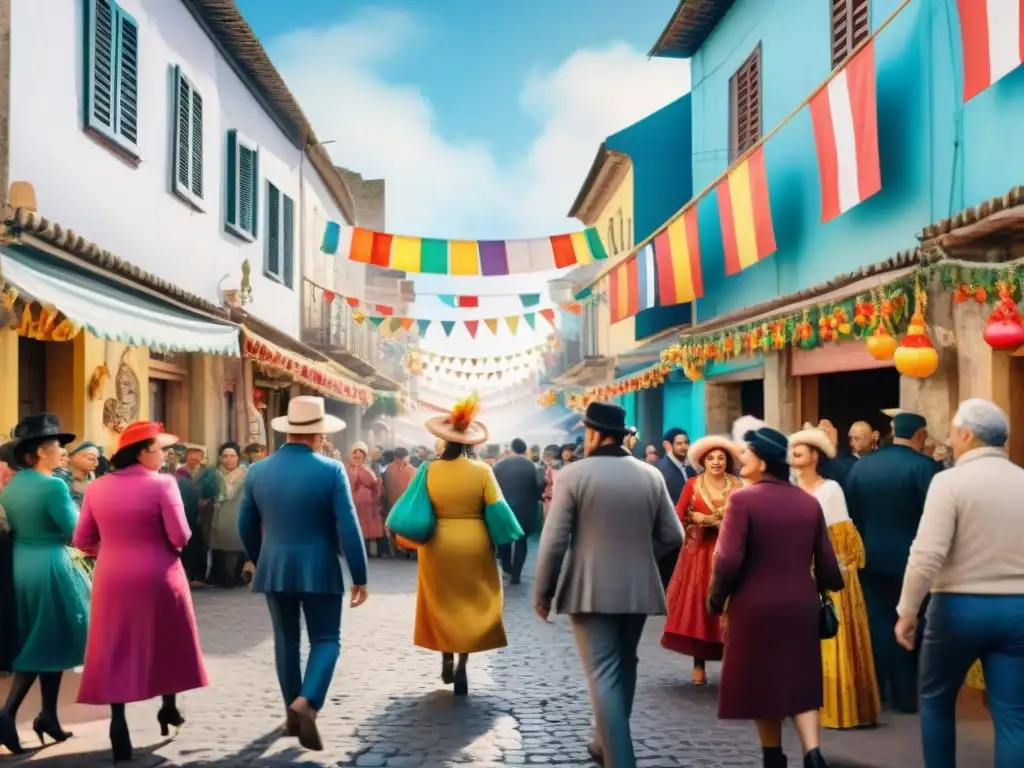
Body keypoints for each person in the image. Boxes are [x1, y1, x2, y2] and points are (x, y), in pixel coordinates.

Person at [534, 402, 682, 767]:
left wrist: (544, 593)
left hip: (589, 587)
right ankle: (602, 741)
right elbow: (673, 534)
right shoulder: (650, 475)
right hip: (638, 586)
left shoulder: (573, 474)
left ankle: (620, 757)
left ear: (596, 434)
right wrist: (641, 554)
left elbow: (554, 540)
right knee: (624, 664)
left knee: (602, 671)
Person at [896, 399, 1024, 767]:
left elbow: (926, 554)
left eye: (952, 431)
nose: (950, 439)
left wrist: (907, 611)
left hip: (957, 608)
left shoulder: (949, 482)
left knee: (936, 701)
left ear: (967, 434)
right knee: (1015, 716)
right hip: (1017, 608)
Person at [707, 423, 844, 768]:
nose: (740, 458)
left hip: (755, 606)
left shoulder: (742, 500)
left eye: (747, 453)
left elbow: (727, 559)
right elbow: (827, 562)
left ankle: (773, 756)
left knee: (762, 681)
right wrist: (829, 587)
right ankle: (813, 752)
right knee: (800, 677)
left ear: (764, 462)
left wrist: (715, 597)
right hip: (800, 604)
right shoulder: (808, 503)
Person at [238, 396, 368, 752]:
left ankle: (291, 714)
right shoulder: (330, 470)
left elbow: (245, 524)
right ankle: (308, 701)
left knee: (286, 640)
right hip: (320, 567)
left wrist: (260, 558)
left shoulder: (258, 470)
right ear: (318, 435)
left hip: (275, 567)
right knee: (326, 639)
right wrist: (359, 574)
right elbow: (349, 525)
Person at [73, 421, 208, 762]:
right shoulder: (164, 484)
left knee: (114, 645)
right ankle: (169, 707)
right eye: (161, 449)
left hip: (112, 575)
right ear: (144, 452)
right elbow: (181, 535)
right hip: (160, 572)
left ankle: (119, 725)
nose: (165, 456)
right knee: (167, 639)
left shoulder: (97, 487)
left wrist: (112, 549)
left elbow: (82, 539)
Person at [0, 414, 90, 754]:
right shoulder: (53, 485)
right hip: (50, 564)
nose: (63, 451)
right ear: (38, 451)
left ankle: (48, 716)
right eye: (57, 445)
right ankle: (7, 714)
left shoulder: (15, 485)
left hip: (22, 563)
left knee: (47, 639)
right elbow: (75, 530)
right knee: (44, 640)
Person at [416, 394, 509, 696]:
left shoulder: (428, 470)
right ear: (471, 442)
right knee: (470, 603)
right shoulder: (483, 471)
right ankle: (462, 667)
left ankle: (445, 656)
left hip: (436, 543)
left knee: (441, 601)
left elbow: (416, 506)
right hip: (474, 542)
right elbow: (499, 512)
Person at [845, 411, 937, 713]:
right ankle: (908, 694)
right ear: (920, 435)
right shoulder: (925, 467)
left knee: (879, 622)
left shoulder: (863, 467)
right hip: (914, 561)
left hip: (871, 558)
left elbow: (853, 516)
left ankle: (881, 689)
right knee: (916, 623)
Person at [789, 425, 879, 730]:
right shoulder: (788, 488)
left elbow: (842, 541)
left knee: (829, 634)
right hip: (792, 573)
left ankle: (835, 706)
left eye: (801, 449)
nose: (794, 454)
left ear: (815, 455)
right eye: (793, 449)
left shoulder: (830, 490)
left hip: (825, 573)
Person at [661, 435, 742, 686]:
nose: (716, 462)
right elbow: (677, 516)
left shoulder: (738, 484)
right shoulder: (693, 485)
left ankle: (734, 664)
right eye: (710, 458)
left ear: (727, 461)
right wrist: (699, 521)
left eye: (720, 458)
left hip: (729, 554)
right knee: (700, 608)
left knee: (734, 608)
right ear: (703, 461)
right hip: (699, 555)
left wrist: (719, 522)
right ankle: (699, 664)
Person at [493, 438, 542, 585]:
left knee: (504, 541)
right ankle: (516, 575)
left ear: (511, 449)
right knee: (522, 541)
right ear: (525, 450)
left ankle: (506, 570)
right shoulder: (534, 467)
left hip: (504, 509)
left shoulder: (498, 466)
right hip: (526, 510)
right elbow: (539, 487)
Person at [655, 428, 696, 589]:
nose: (683, 446)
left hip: (690, 534)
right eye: (679, 443)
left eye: (686, 443)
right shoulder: (659, 470)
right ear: (669, 445)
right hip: (668, 539)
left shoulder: (692, 468)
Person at [208, 442, 249, 588]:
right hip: (219, 514)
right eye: (225, 456)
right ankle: (222, 576)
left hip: (240, 513)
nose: (229, 459)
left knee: (237, 545)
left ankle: (234, 575)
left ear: (238, 458)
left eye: (232, 456)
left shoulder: (246, 474)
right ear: (220, 458)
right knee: (220, 546)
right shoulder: (214, 475)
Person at [347, 441, 384, 557]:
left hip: (366, 502)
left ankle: (366, 550)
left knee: (365, 526)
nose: (358, 455)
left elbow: (375, 484)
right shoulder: (352, 469)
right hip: (356, 501)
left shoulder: (364, 469)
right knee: (360, 525)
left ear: (364, 455)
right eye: (355, 453)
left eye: (360, 453)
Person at [382, 447, 417, 558]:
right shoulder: (411, 469)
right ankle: (408, 549)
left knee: (393, 526)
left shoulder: (388, 469)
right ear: (406, 456)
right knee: (407, 527)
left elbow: (384, 487)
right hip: (408, 504)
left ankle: (396, 550)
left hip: (392, 503)